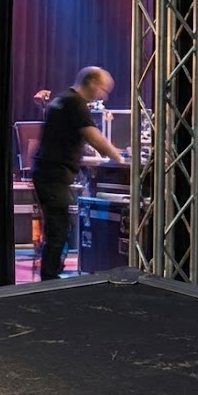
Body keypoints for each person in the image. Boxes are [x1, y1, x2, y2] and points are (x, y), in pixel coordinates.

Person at [32, 66, 126, 281]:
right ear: (91, 82)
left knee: (60, 227)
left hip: (47, 172)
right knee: (59, 229)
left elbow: (64, 138)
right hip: (53, 175)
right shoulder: (76, 103)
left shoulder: (63, 99)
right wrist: (120, 159)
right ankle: (49, 280)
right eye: (103, 89)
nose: (104, 96)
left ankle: (51, 274)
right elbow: (95, 138)